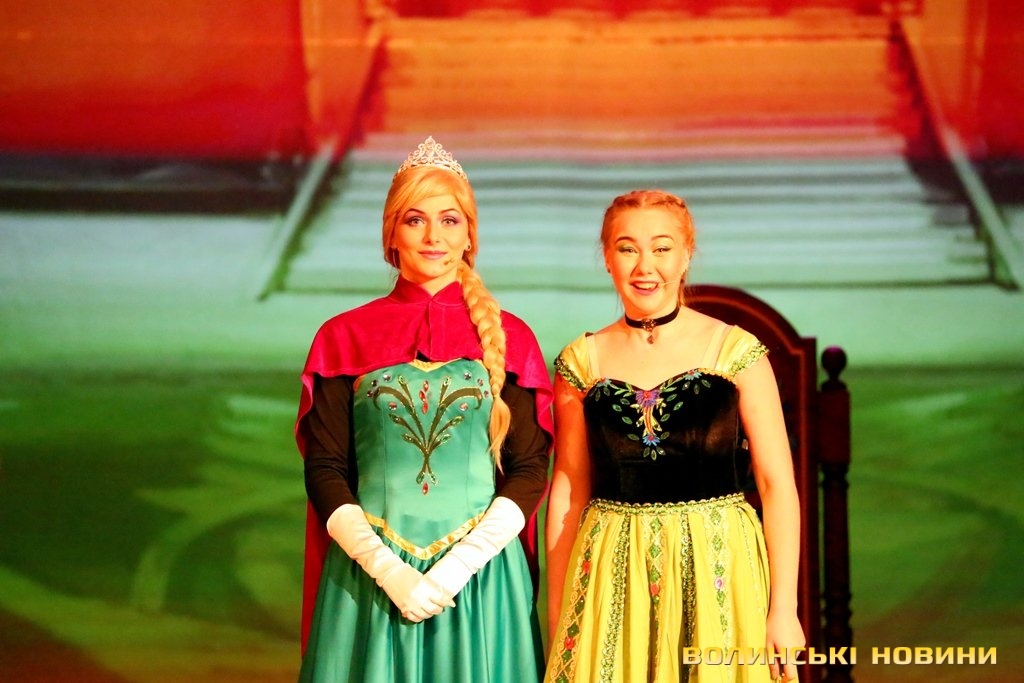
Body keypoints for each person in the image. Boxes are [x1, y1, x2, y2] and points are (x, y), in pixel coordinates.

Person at [295, 137, 553, 683]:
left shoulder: (512, 337)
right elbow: (325, 469)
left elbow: (531, 469)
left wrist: (457, 568)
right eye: (416, 220)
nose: (434, 236)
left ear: (469, 234)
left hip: (481, 580)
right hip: (370, 579)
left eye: (449, 220)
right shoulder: (343, 337)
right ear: (392, 233)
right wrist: (388, 571)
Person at [543, 190, 805, 683]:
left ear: (686, 255)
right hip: (613, 569)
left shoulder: (736, 351)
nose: (645, 266)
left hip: (717, 563)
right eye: (627, 248)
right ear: (607, 257)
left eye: (661, 248)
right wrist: (560, 612)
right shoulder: (581, 362)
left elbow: (777, 486)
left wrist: (784, 610)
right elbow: (569, 490)